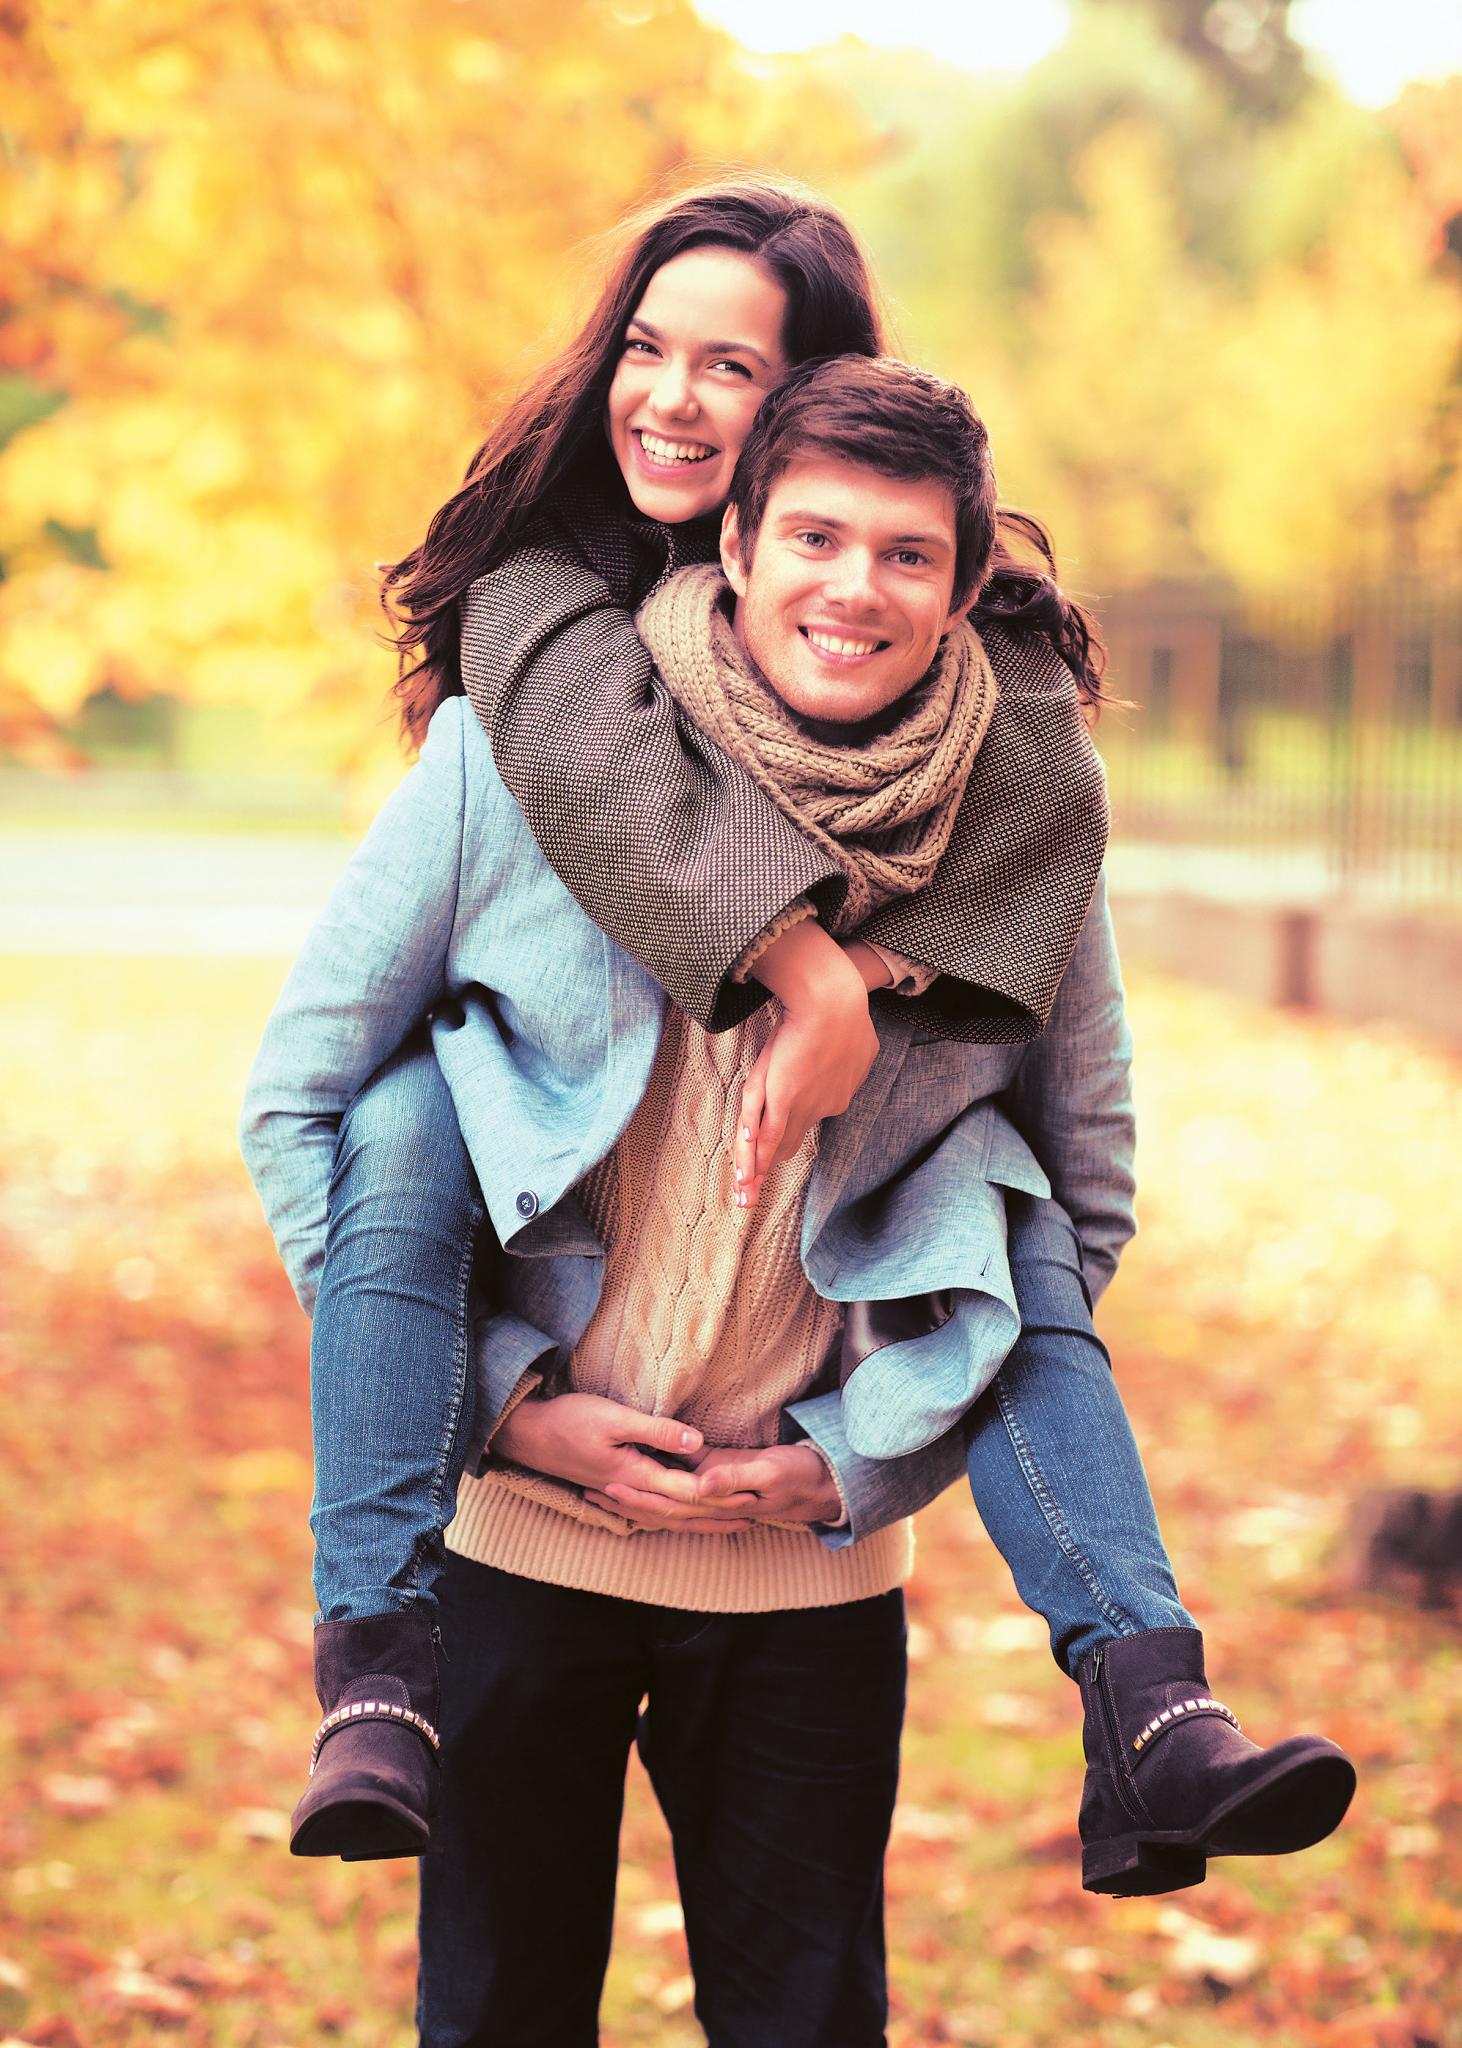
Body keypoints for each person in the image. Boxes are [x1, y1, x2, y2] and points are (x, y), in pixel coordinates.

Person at [243, 357, 1355, 2039]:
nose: (854, 588)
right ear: (736, 544)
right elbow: (300, 1101)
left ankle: (1145, 1699)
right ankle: (371, 1669)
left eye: (907, 554)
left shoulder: (1015, 829)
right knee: (496, 2016)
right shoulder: (519, 761)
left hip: (804, 1587)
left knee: (807, 2022)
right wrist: (504, 1411)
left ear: (962, 588)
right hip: (516, 1547)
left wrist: (854, 1458)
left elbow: (1080, 1196)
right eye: (816, 538)